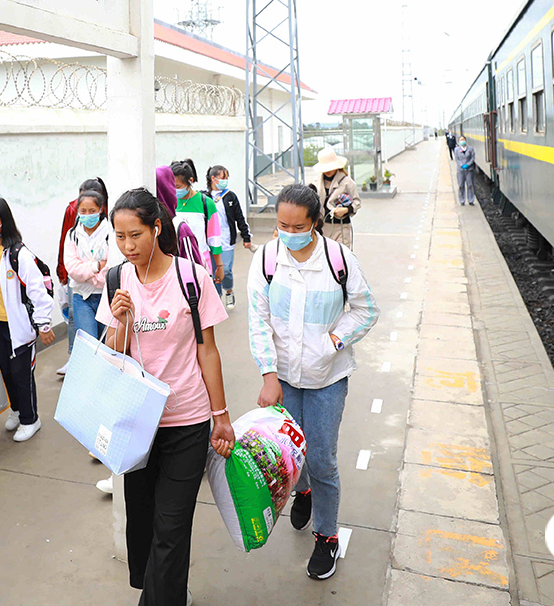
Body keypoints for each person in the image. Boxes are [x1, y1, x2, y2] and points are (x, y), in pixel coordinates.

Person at [98, 187, 234, 606]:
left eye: (135, 234)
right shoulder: (117, 279)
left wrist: (220, 415)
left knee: (172, 527)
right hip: (138, 423)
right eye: (119, 237)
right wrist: (119, 319)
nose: (127, 246)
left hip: (186, 421)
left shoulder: (191, 278)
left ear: (157, 227)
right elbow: (112, 354)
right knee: (143, 525)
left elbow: (206, 350)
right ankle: (170, 591)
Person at [247, 183, 378, 580]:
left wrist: (334, 341)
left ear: (315, 223)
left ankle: (327, 537)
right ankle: (301, 491)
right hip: (284, 377)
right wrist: (269, 375)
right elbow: (258, 321)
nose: (287, 232)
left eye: (296, 225)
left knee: (321, 458)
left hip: (327, 378)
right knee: (293, 450)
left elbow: (366, 309)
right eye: (280, 224)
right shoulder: (268, 260)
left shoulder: (340, 260)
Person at [0, 197, 55, 442]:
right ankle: (17, 412)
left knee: (22, 375)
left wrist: (43, 324)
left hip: (19, 327)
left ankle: (31, 419)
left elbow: (37, 292)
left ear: (3, 223)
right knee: (3, 372)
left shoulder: (19, 254)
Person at [56, 177, 109, 376]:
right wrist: (96, 267)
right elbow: (72, 269)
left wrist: (88, 274)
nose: (87, 215)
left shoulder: (110, 233)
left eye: (92, 211)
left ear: (101, 209)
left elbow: (110, 269)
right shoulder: (72, 235)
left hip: (106, 296)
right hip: (81, 298)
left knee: (106, 347)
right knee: (89, 346)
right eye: (83, 211)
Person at [170, 159, 226, 285]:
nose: (174, 190)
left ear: (190, 181)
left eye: (178, 186)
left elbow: (214, 238)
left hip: (200, 263)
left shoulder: (206, 203)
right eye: (171, 186)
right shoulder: (167, 202)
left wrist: (219, 266)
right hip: (174, 264)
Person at [207, 164, 253, 309]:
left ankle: (229, 290)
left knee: (225, 269)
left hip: (226, 240)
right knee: (213, 271)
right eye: (223, 177)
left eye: (227, 178)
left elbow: (239, 217)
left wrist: (246, 237)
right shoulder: (204, 197)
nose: (226, 180)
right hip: (210, 241)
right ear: (213, 178)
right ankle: (216, 297)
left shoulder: (230, 196)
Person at [312, 148, 361, 248]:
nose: (328, 171)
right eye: (325, 168)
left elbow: (357, 202)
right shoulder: (317, 182)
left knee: (341, 256)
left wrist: (347, 210)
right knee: (324, 256)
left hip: (341, 226)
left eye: (330, 167)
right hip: (322, 227)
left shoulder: (347, 182)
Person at [453, 135, 478, 206]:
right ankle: (462, 200)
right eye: (461, 140)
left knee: (470, 185)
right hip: (460, 170)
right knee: (461, 185)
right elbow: (457, 159)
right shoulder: (456, 149)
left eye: (463, 139)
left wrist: (468, 164)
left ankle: (471, 200)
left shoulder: (470, 149)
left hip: (469, 170)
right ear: (459, 141)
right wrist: (461, 165)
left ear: (466, 141)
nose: (462, 141)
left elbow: (472, 158)